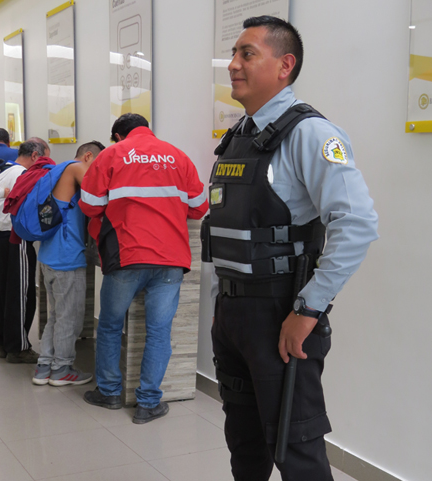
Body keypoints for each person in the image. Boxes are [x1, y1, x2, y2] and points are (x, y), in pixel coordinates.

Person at [206, 16, 379, 481]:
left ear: (285, 65)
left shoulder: (310, 134)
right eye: (233, 53)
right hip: (233, 315)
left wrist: (308, 310)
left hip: (281, 315)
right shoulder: (238, 136)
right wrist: (224, 308)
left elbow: (357, 223)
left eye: (247, 54)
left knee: (295, 450)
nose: (233, 64)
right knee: (244, 446)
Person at [79, 113, 208, 423]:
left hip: (128, 255)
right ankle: (148, 403)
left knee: (110, 326)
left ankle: (109, 392)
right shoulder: (178, 156)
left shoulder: (112, 154)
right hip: (171, 258)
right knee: (159, 332)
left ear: (118, 135)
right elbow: (199, 208)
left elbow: (90, 205)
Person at [32, 141, 105, 386]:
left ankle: (45, 366)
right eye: (99, 164)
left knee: (56, 315)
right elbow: (98, 197)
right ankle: (62, 369)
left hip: (49, 256)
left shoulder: (57, 171)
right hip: (66, 258)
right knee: (69, 317)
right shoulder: (75, 168)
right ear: (88, 156)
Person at [0, 140, 46, 363]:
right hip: (17, 238)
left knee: (4, 292)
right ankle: (18, 347)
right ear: (34, 156)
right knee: (21, 294)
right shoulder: (24, 174)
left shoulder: (3, 170)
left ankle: (4, 343)